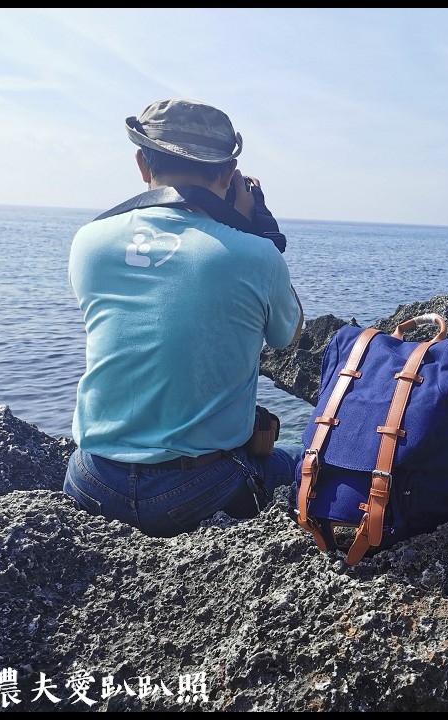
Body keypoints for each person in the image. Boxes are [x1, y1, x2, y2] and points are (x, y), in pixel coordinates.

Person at [63, 98, 304, 537]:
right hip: (200, 487)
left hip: (92, 479)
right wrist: (256, 233)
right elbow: (288, 334)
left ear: (142, 162)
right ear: (229, 174)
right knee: (312, 450)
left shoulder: (89, 242)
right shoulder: (254, 254)